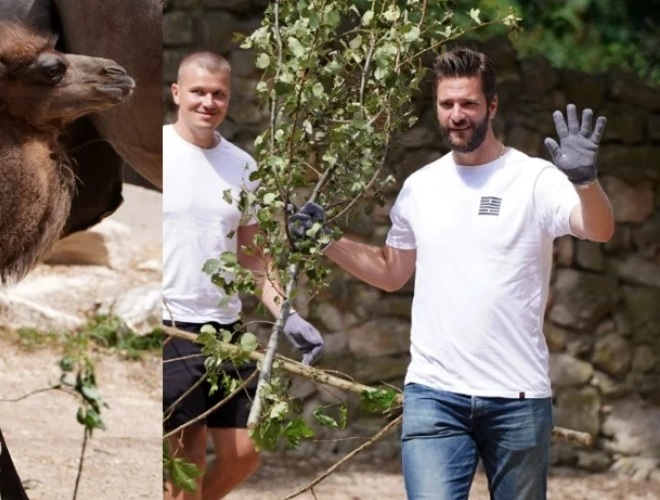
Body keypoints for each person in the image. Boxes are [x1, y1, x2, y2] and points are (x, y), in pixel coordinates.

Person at [289, 47, 614, 499]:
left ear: (492, 105)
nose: (457, 115)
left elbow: (598, 228)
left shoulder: (534, 179)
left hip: (517, 398)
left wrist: (585, 181)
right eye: (447, 104)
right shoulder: (420, 187)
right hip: (434, 395)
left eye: (468, 103)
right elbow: (390, 272)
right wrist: (326, 239)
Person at [162, 50, 325, 500]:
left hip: (227, 332)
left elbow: (255, 260)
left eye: (218, 94)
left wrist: (288, 316)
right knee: (185, 464)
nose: (207, 102)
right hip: (170, 328)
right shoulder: (155, 152)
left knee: (245, 453)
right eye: (198, 92)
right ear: (177, 93)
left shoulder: (244, 167)